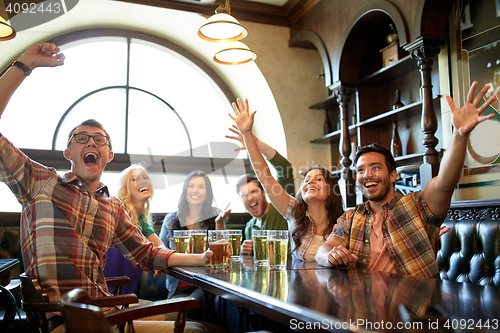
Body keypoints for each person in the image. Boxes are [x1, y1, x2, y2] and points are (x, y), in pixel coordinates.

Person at [0, 42, 213, 333]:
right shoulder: (40, 183)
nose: (91, 143)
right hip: (73, 323)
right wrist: (25, 63)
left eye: (100, 140)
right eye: (81, 138)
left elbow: (148, 254)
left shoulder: (112, 207)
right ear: (68, 154)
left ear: (109, 156)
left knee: (206, 323)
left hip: (109, 311)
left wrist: (201, 259)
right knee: (199, 331)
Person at [315, 82, 496, 277]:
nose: (367, 174)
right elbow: (322, 251)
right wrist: (330, 256)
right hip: (363, 305)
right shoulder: (350, 218)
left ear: (393, 175)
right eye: (360, 169)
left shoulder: (417, 206)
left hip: (412, 305)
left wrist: (459, 135)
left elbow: (445, 182)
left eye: (375, 167)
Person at [230, 99, 344, 261]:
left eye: (318, 179)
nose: (310, 182)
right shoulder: (294, 213)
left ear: (332, 188)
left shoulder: (344, 223)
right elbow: (265, 177)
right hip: (298, 285)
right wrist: (247, 134)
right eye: (307, 180)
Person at [221, 125, 295, 255]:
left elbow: (284, 168)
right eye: (244, 195)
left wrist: (253, 142)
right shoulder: (249, 227)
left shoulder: (281, 209)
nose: (249, 198)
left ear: (264, 192)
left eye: (254, 191)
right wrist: (247, 252)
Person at [159, 170, 223, 301]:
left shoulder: (216, 216)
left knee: (194, 303)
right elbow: (160, 251)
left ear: (207, 192)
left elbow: (223, 254)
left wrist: (220, 223)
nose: (196, 190)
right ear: (185, 190)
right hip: (177, 287)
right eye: (191, 186)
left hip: (206, 286)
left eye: (201, 187)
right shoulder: (171, 219)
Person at [103, 164, 164, 294]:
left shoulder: (142, 220)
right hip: (111, 285)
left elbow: (160, 246)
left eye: (145, 177)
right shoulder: (117, 212)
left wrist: (159, 259)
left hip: (126, 285)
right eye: (135, 179)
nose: (143, 181)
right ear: (125, 188)